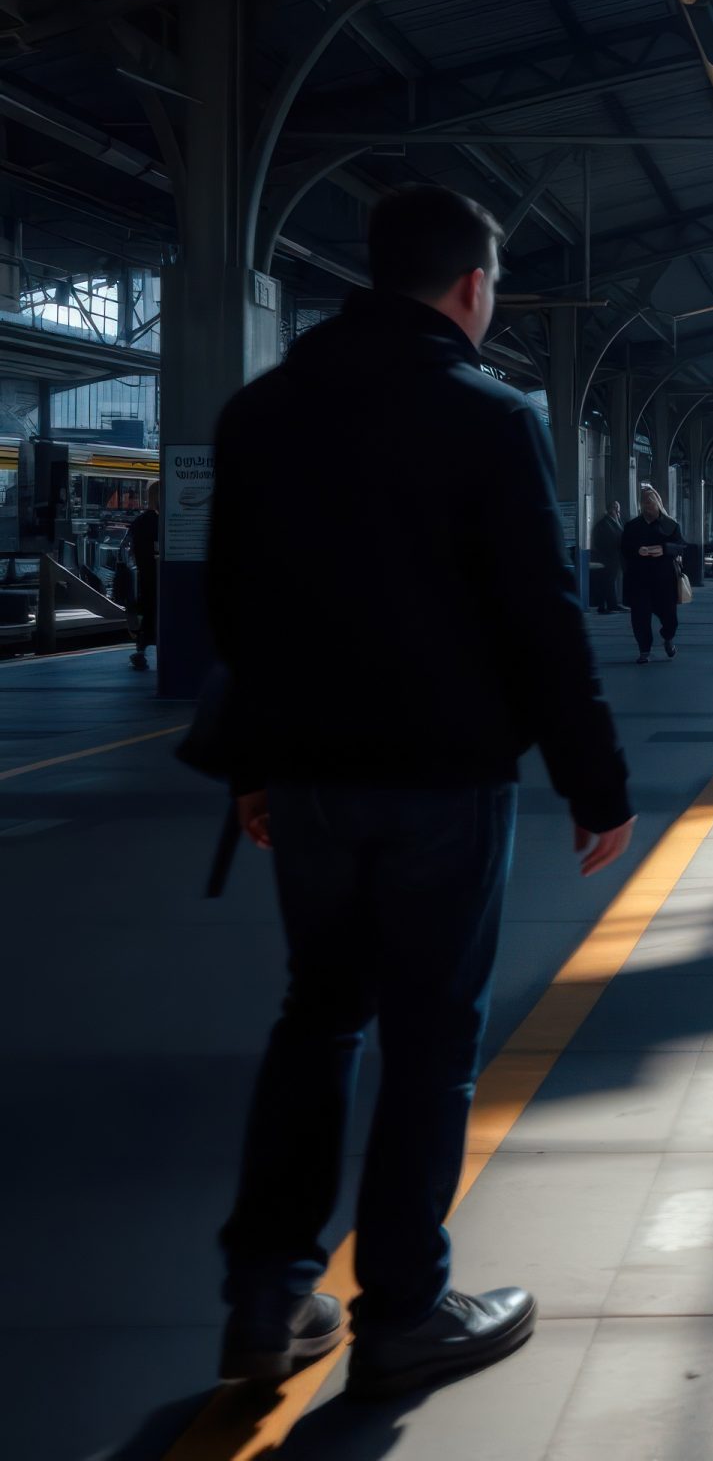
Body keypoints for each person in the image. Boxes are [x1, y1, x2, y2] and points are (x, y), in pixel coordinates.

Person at [202, 185, 635, 1400]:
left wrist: (253, 768)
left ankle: (265, 1299)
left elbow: (232, 608)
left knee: (317, 1017)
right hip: (445, 782)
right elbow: (544, 620)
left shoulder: (260, 413)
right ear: (468, 289)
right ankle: (401, 1308)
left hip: (306, 785)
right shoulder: (490, 419)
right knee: (432, 1041)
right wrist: (595, 785)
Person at [622, 484, 684, 662]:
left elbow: (681, 546)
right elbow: (625, 548)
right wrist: (637, 550)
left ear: (658, 503)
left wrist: (663, 549)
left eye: (651, 502)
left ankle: (668, 637)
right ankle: (644, 650)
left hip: (664, 580)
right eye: (645, 502)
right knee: (640, 616)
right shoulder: (632, 526)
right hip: (639, 579)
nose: (648, 506)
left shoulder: (670, 525)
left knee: (670, 617)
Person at [127, 479, 160, 669]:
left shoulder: (139, 521)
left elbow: (134, 550)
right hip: (159, 575)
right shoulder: (161, 521)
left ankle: (141, 649)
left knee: (149, 612)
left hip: (145, 575)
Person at [589, 498, 623, 613]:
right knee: (606, 582)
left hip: (613, 558)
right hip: (607, 558)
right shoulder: (604, 524)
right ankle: (604, 606)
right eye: (616, 509)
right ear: (611, 510)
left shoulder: (614, 522)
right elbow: (603, 541)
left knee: (610, 582)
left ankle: (612, 604)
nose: (618, 512)